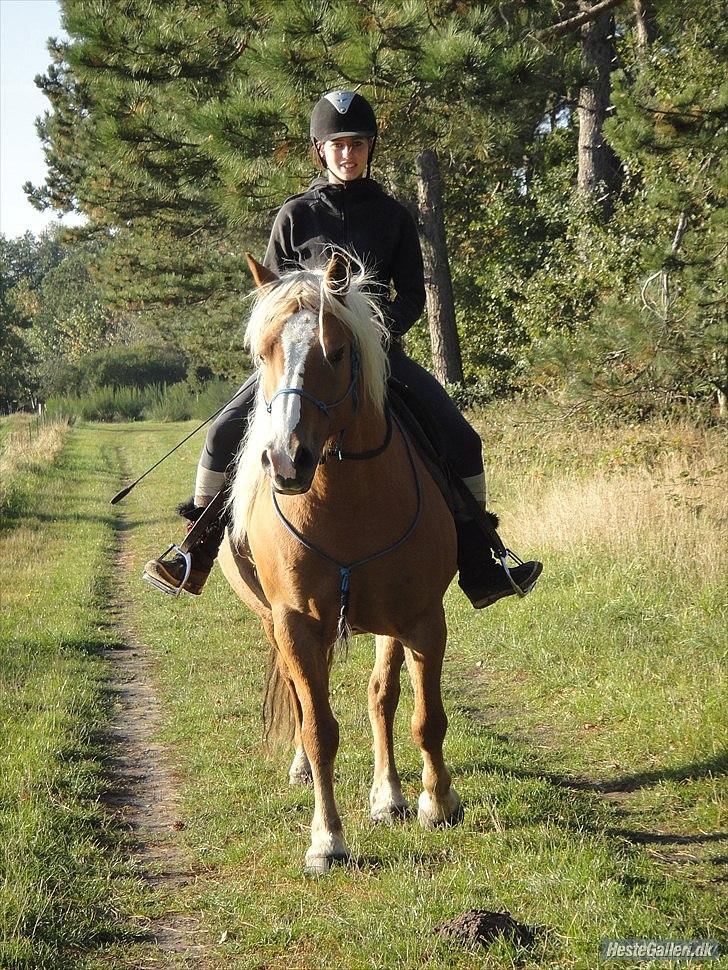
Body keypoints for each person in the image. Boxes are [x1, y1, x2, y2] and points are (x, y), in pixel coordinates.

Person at [144, 90, 542, 608]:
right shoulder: (294, 215)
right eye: (337, 145)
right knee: (222, 433)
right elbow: (272, 299)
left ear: (370, 148)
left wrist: (375, 334)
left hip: (377, 357)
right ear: (320, 150)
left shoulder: (393, 216)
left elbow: (413, 295)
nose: (347, 154)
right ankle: (194, 553)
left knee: (461, 439)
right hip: (302, 360)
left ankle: (480, 562)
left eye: (356, 144)